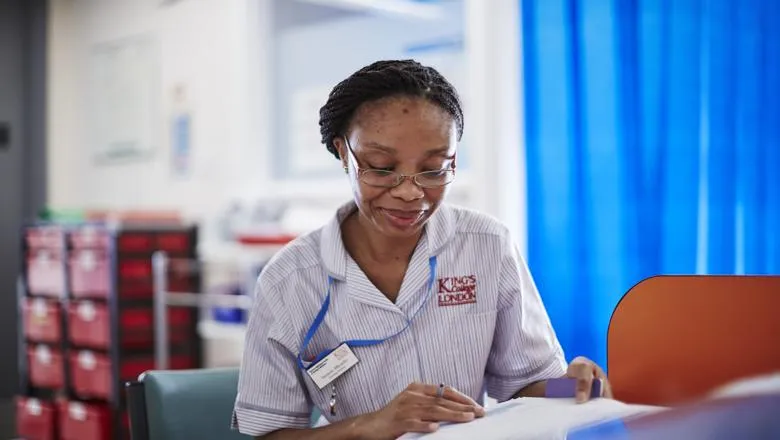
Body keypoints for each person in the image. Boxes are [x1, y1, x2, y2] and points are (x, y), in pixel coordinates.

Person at [231, 60, 611, 440]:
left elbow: (527, 387)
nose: (410, 193)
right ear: (344, 153)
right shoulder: (289, 281)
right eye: (381, 167)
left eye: (433, 169)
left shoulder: (487, 246)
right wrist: (370, 426)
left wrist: (574, 386)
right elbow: (268, 434)